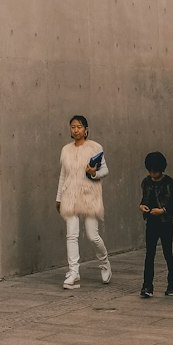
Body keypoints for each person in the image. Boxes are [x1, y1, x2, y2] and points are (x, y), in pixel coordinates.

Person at [55, 114, 112, 288]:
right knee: (71, 235)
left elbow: (105, 170)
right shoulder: (66, 150)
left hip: (89, 195)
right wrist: (59, 198)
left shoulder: (95, 147)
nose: (76, 130)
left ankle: (104, 263)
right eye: (73, 127)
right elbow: (63, 175)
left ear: (86, 129)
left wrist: (93, 172)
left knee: (92, 236)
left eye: (79, 126)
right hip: (70, 195)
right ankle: (74, 272)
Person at [139, 151, 173, 298]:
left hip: (165, 223)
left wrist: (162, 210)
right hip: (151, 222)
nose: (152, 174)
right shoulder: (146, 182)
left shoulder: (170, 183)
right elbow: (144, 199)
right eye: (150, 171)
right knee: (149, 254)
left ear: (161, 169)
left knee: (167, 253)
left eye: (155, 171)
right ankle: (147, 286)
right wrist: (142, 206)